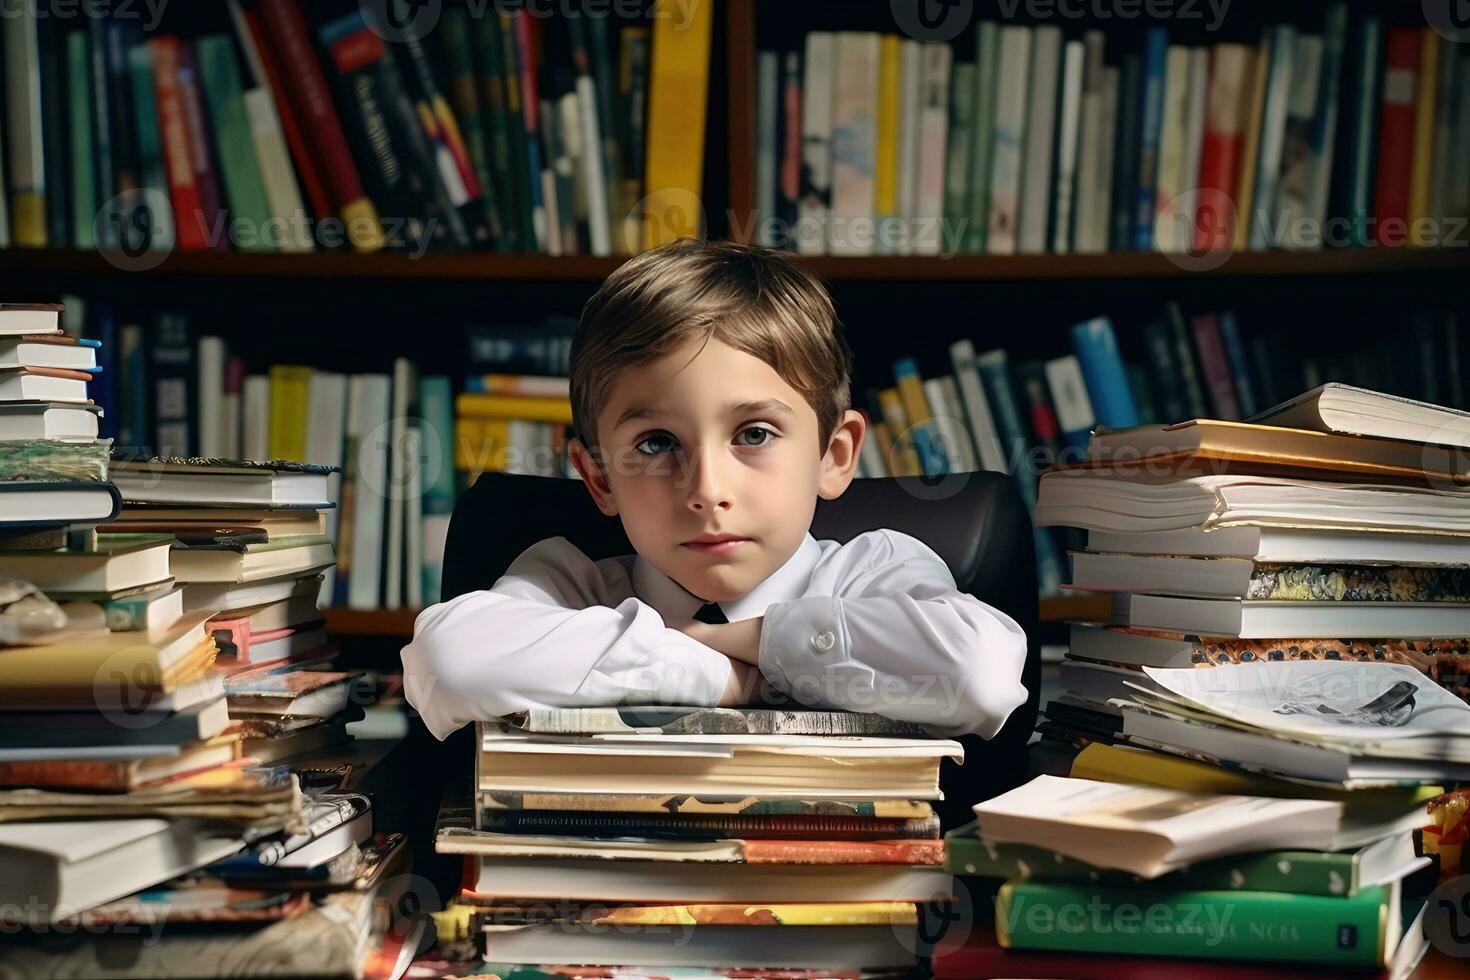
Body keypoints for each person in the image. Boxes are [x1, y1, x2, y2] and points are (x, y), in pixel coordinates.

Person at [400, 238, 1028, 740]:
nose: (706, 490)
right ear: (598, 476)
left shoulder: (876, 571)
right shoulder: (570, 581)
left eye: (754, 434)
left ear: (833, 456)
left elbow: (980, 676)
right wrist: (722, 677)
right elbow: (450, 664)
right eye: (655, 444)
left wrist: (752, 642)